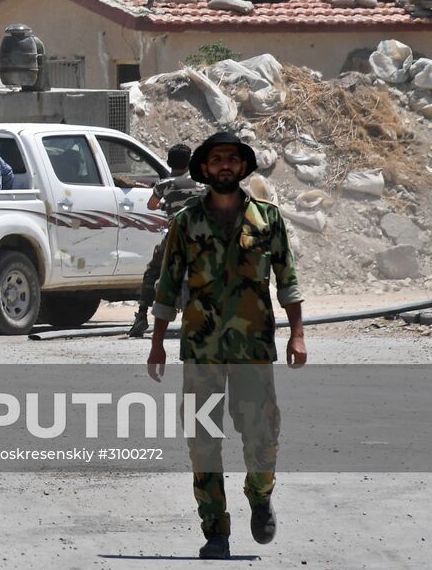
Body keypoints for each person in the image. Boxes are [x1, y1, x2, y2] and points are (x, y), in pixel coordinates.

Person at [147, 131, 306, 561]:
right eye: (216, 159)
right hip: (201, 351)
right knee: (202, 439)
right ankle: (215, 529)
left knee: (262, 434)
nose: (224, 166)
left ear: (242, 167)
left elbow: (287, 281)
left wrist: (297, 333)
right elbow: (167, 287)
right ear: (204, 168)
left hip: (253, 349)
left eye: (231, 159)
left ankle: (259, 493)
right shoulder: (186, 223)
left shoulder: (268, 220)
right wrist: (157, 343)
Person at [128, 143, 204, 339]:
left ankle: (142, 316)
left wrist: (166, 204)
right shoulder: (203, 184)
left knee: (152, 271)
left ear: (169, 162)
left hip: (175, 238)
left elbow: (151, 205)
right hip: (202, 238)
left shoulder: (164, 186)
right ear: (190, 162)